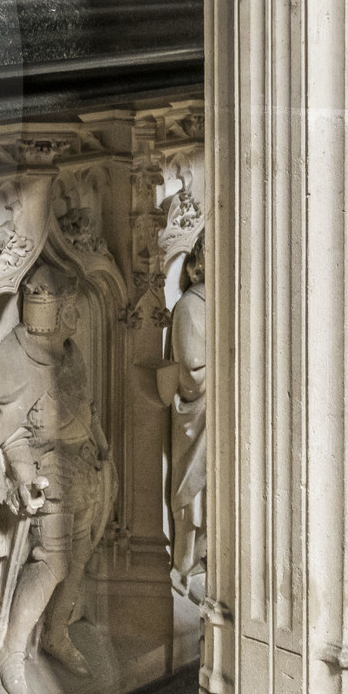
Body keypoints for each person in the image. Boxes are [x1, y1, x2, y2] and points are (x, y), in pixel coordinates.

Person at [0, 266, 119, 694]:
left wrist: (99, 443)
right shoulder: (14, 356)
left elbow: (86, 406)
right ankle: (12, 652)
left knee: (78, 559)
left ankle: (57, 632)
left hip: (84, 470)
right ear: (49, 311)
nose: (75, 318)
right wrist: (23, 476)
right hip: (47, 471)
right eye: (67, 309)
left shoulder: (70, 352)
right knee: (52, 562)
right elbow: (9, 433)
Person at [164, 236, 207, 601]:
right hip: (200, 419)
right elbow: (191, 376)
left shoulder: (222, 304)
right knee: (196, 499)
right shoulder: (189, 308)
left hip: (219, 418)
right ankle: (188, 565)